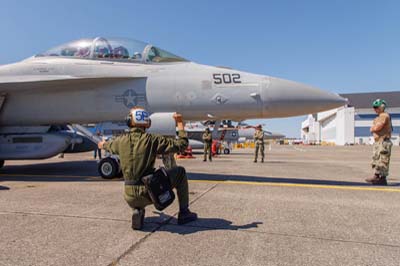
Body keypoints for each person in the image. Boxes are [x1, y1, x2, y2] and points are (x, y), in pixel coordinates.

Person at [98, 107, 197, 230]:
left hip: (129, 196)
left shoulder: (119, 141)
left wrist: (102, 144)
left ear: (129, 121)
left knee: (137, 180)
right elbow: (182, 145)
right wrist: (180, 123)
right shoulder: (153, 140)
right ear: (147, 123)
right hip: (149, 194)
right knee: (180, 172)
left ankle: (138, 210)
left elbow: (105, 145)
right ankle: (184, 213)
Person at [365, 99, 393, 185]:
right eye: (374, 107)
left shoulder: (384, 116)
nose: (375, 109)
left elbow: (377, 127)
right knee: (377, 159)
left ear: (382, 107)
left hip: (383, 141)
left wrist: (372, 128)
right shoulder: (378, 117)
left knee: (383, 160)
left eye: (376, 107)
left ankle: (382, 178)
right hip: (379, 141)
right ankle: (377, 176)